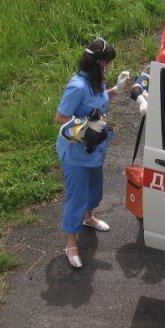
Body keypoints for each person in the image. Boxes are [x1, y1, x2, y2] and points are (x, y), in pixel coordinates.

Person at [55, 37, 129, 268]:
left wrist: (117, 89)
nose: (110, 66)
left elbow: (98, 99)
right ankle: (71, 243)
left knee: (95, 188)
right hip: (77, 152)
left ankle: (89, 218)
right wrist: (87, 122)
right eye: (109, 63)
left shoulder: (95, 80)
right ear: (99, 62)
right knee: (76, 196)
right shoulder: (77, 86)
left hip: (95, 148)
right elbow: (60, 117)